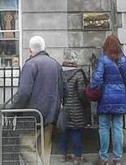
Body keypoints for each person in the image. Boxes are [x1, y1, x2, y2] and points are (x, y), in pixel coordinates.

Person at [11, 35, 65, 165]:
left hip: (31, 116)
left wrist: (11, 111)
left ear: (30, 51)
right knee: (44, 149)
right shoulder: (56, 65)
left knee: (25, 148)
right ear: (44, 48)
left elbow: (23, 93)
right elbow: (64, 90)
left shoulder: (30, 65)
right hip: (51, 116)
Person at [90, 33, 126, 165]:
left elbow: (97, 79)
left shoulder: (103, 60)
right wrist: (122, 86)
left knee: (103, 127)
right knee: (118, 127)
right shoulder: (125, 61)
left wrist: (94, 88)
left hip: (105, 97)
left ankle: (103, 157)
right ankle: (117, 158)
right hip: (120, 96)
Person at [59, 48, 89, 165]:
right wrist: (86, 104)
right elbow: (82, 92)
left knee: (64, 131)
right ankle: (77, 157)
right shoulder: (78, 74)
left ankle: (63, 155)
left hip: (64, 106)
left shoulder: (60, 73)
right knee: (76, 131)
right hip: (76, 107)